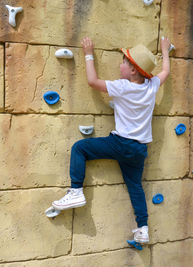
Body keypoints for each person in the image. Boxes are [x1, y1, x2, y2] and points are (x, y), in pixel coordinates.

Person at [52, 36, 171, 244]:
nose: (120, 64)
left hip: (120, 144)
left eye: (124, 62)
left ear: (133, 70)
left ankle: (76, 191)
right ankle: (143, 228)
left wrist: (88, 54)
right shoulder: (151, 86)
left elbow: (92, 82)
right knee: (135, 186)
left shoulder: (123, 87)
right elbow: (165, 72)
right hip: (140, 149)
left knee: (80, 148)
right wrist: (165, 51)